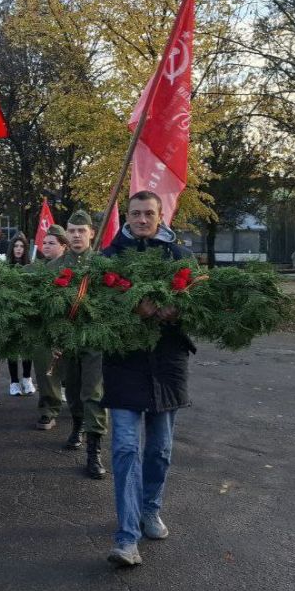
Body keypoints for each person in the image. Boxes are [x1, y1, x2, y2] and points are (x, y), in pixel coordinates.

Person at [102, 191, 196, 568]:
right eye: (136, 213)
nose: (142, 219)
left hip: (167, 366)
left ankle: (149, 508)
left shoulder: (180, 258)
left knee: (159, 450)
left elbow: (203, 307)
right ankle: (126, 538)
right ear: (127, 215)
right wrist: (129, 305)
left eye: (149, 213)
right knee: (126, 449)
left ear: (161, 215)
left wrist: (177, 312)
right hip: (124, 364)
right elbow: (96, 311)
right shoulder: (109, 259)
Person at [47, 211, 108, 480]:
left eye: (81, 231)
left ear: (92, 233)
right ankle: (77, 424)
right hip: (67, 338)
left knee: (93, 392)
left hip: (94, 337)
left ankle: (94, 451)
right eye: (71, 231)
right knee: (71, 389)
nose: (76, 235)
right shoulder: (55, 267)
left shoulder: (103, 265)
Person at [32, 225, 69, 429]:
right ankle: (48, 409)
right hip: (44, 329)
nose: (45, 246)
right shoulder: (37, 267)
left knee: (74, 373)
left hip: (68, 326)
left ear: (64, 246)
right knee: (45, 369)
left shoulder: (70, 267)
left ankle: (82, 407)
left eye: (51, 243)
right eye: (44, 242)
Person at [5, 232, 35, 396]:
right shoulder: (4, 267)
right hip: (10, 312)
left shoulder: (31, 267)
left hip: (26, 313)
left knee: (26, 347)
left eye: (22, 246)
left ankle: (27, 378)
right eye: (16, 246)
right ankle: (14, 382)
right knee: (12, 348)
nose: (18, 249)